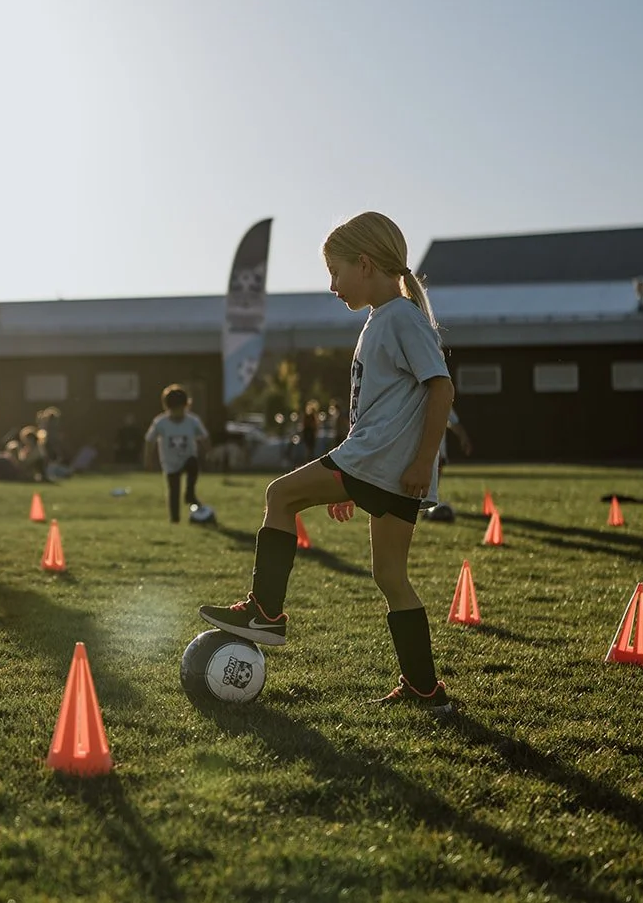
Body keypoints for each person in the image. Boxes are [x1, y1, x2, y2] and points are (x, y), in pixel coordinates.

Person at [198, 211, 456, 712]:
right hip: (379, 468)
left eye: (335, 272)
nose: (332, 285)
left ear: (364, 264)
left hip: (382, 464)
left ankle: (266, 612)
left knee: (279, 495)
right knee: (390, 578)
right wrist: (357, 478)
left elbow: (441, 388)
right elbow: (381, 407)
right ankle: (426, 693)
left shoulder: (400, 317)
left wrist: (421, 462)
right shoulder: (382, 319)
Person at [145, 384, 210, 523]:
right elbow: (149, 440)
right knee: (173, 490)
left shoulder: (192, 421)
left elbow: (204, 437)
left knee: (193, 464)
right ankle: (174, 519)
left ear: (186, 405)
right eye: (174, 410)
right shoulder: (160, 422)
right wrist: (148, 459)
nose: (178, 413)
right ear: (167, 408)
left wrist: (208, 451)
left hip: (188, 458)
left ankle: (189, 494)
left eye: (181, 409)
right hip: (170, 462)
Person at [425, 407, 474, 521]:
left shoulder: (441, 395)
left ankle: (427, 505)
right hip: (420, 450)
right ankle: (423, 505)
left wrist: (463, 438)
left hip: (438, 451)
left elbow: (453, 421)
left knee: (433, 481)